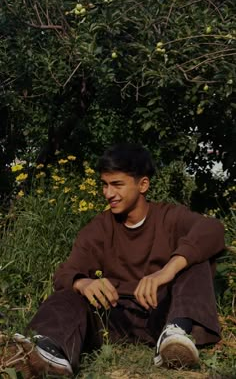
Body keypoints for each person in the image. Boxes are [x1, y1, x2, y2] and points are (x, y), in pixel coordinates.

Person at [1, 143, 225, 377]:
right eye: (104, 185)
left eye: (117, 184)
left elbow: (213, 229)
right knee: (69, 293)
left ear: (143, 185)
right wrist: (83, 283)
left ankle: (177, 337)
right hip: (115, 319)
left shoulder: (169, 216)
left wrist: (168, 270)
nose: (108, 193)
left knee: (194, 257)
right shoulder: (99, 227)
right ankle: (49, 352)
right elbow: (66, 272)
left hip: (166, 314)